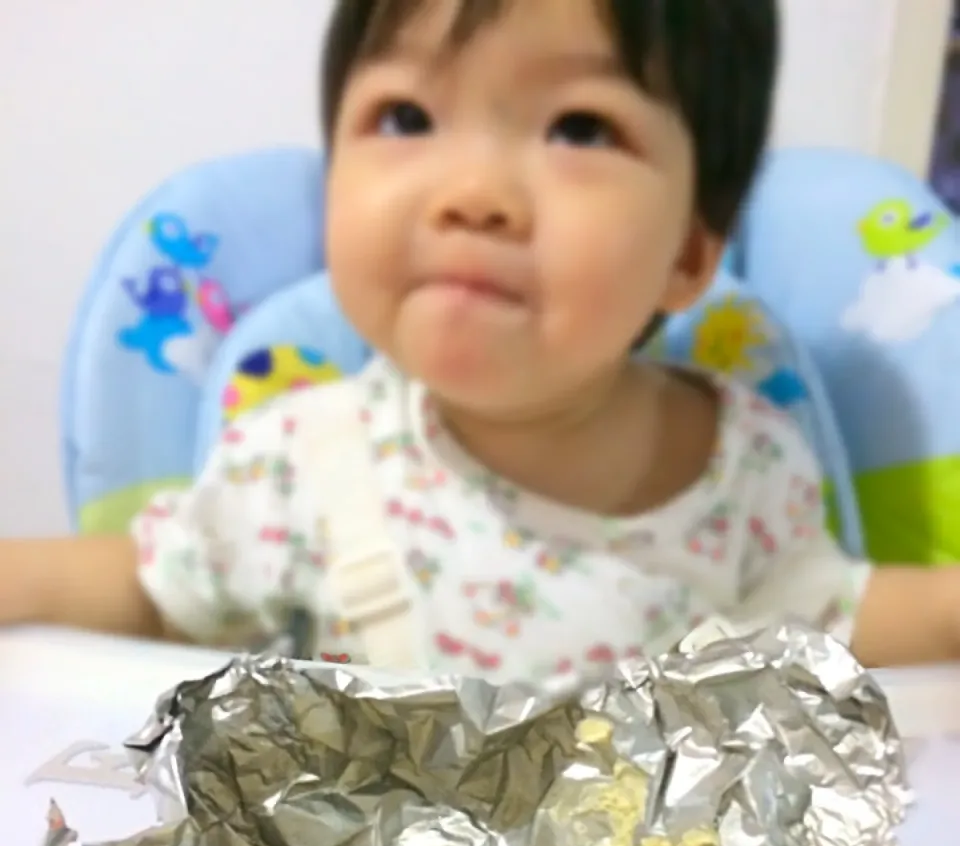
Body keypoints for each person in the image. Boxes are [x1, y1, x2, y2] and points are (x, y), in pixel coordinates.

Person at [3, 0, 960, 679]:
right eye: (405, 117)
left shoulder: (745, 466)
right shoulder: (302, 459)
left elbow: (832, 612)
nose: (472, 194)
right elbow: (149, 588)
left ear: (689, 252)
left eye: (581, 128)